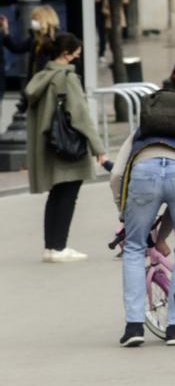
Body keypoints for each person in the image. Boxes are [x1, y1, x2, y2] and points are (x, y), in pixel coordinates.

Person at [109, 96, 175, 346]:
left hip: (143, 173)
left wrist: (124, 212)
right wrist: (164, 233)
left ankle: (134, 326)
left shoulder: (138, 136)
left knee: (134, 248)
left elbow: (116, 174)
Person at [25, 33, 108, 263]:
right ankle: (60, 247)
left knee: (56, 195)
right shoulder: (67, 78)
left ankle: (51, 247)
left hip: (51, 144)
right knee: (68, 195)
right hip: (69, 146)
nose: (77, 58)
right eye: (77, 54)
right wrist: (98, 148)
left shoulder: (42, 76)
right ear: (66, 53)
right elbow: (80, 116)